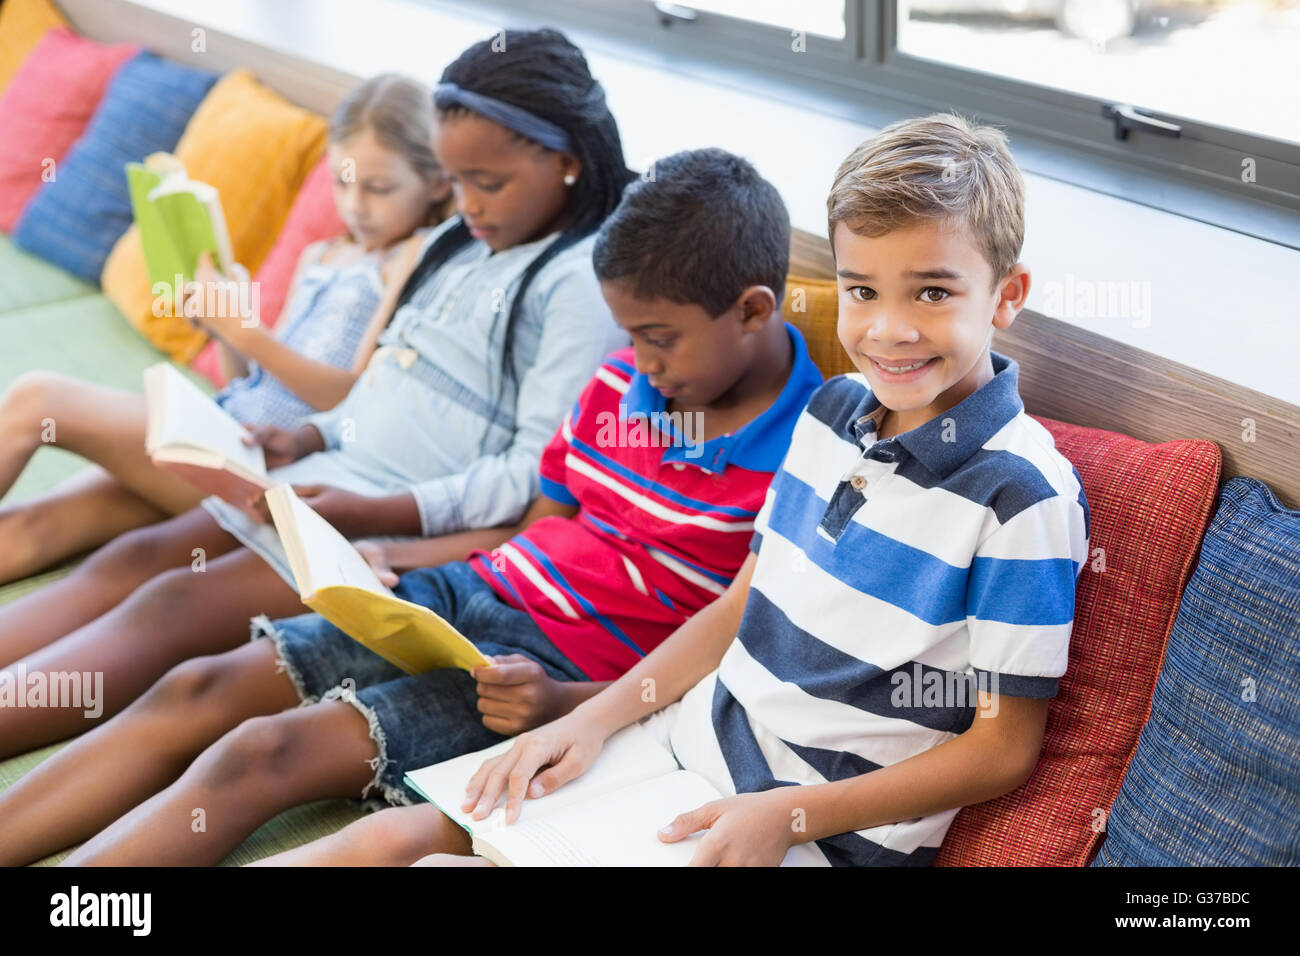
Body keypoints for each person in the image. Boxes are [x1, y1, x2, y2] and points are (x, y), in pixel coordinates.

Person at [0, 148, 824, 867]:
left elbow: (730, 656)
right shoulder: (623, 386)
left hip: (554, 674)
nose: (639, 361)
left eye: (659, 337)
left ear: (753, 309)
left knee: (263, 752)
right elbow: (537, 526)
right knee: (197, 688)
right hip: (462, 596)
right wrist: (404, 562)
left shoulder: (811, 457)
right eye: (629, 336)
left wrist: (564, 708)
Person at [307, 112, 1090, 868]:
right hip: (680, 748)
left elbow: (1002, 748)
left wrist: (785, 815)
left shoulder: (1022, 498)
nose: (889, 329)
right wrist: (592, 718)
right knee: (389, 843)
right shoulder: (830, 412)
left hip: (807, 831)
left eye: (933, 293)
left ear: (1007, 294)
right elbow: (741, 606)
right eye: (863, 292)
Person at [0, 28, 633, 761]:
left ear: (567, 161)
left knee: (168, 613)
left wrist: (378, 518)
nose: (468, 206)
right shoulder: (461, 240)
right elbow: (382, 388)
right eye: (458, 183)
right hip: (322, 484)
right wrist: (307, 437)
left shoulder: (579, 283)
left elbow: (532, 476)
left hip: (386, 532)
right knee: (134, 565)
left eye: (486, 183)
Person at [0, 73, 450, 585]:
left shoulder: (410, 258)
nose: (356, 205)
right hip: (225, 425)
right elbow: (253, 380)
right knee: (39, 525)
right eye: (343, 182)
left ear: (437, 181)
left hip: (270, 466)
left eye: (379, 188)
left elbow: (351, 397)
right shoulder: (321, 255)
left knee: (38, 398)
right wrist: (224, 330)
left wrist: (242, 330)